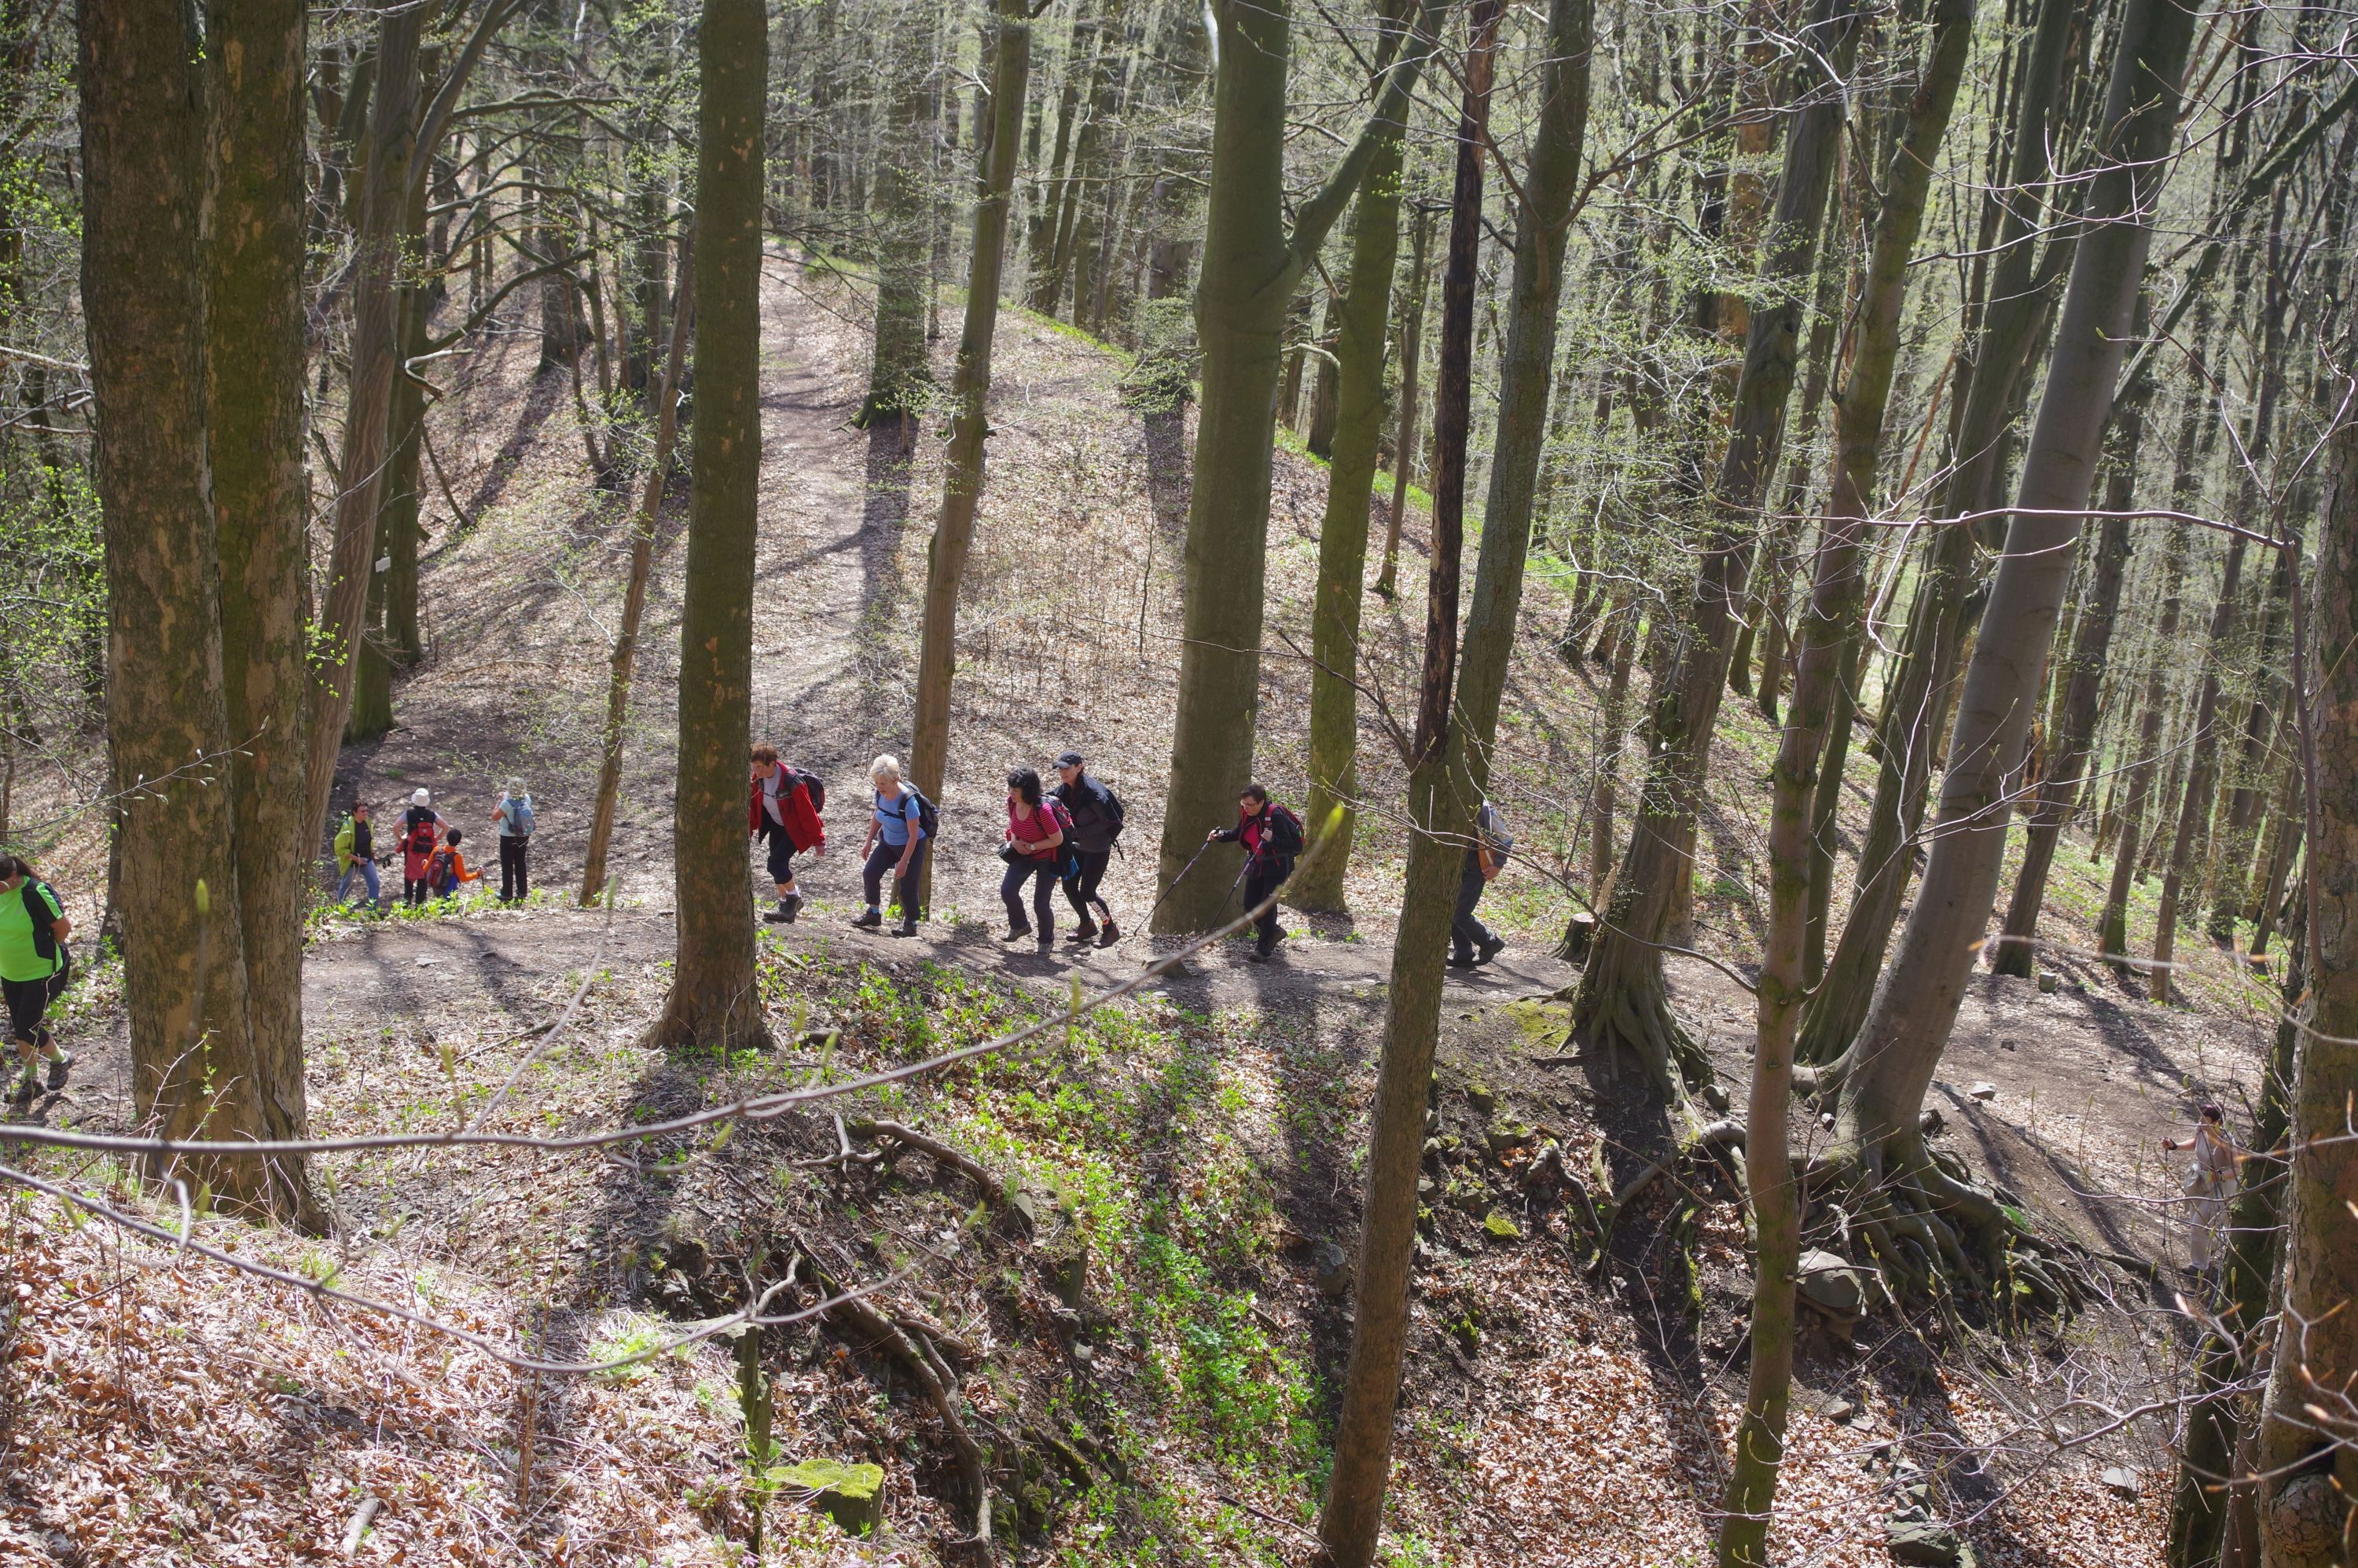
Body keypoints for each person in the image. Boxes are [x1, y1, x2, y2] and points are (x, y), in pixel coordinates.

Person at [0, 855, 74, 1103]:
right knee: (22, 1028)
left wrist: (45, 950)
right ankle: (32, 1081)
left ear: (12, 877)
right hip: (11, 972)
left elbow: (63, 927)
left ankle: (60, 1059)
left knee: (26, 1028)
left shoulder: (34, 892)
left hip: (41, 972)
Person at [1207, 783, 1304, 962]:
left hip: (1278, 866)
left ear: (1261, 802)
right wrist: (1220, 836)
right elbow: (1239, 833)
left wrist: (1272, 839)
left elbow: (1293, 845)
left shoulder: (1275, 815)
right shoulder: (1247, 813)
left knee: (1266, 906)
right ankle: (1273, 932)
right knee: (1250, 905)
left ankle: (1263, 950)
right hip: (1257, 862)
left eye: (1250, 805)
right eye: (1243, 804)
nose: (1246, 808)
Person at [1050, 751, 1124, 947]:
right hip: (1078, 847)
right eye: (1060, 768)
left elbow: (1109, 822)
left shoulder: (1094, 793)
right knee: (1069, 886)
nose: (1062, 772)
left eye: (1067, 768)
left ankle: (1111, 929)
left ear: (1079, 767)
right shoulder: (1066, 788)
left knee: (1088, 892)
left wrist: (1078, 832)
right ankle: (1086, 925)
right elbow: (1050, 799)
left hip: (1098, 850)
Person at [851, 755, 928, 937]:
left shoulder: (908, 802)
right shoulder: (880, 794)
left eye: (883, 783)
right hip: (888, 842)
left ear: (895, 780)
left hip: (911, 845)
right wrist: (869, 841)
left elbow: (914, 835)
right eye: (877, 782)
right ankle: (874, 913)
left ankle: (911, 925)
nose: (879, 787)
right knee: (870, 873)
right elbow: (877, 816)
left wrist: (904, 861)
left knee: (907, 886)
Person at [748, 743, 825, 923]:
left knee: (775, 864)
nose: (757, 771)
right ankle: (785, 907)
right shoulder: (758, 779)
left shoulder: (791, 780)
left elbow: (807, 811)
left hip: (794, 827)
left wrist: (818, 839)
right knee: (777, 865)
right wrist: (750, 828)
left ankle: (794, 897)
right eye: (754, 767)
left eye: (760, 767)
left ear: (773, 764)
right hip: (776, 825)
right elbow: (753, 807)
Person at [2164, 1103, 2240, 1276]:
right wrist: (2175, 1146)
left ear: (2217, 1123)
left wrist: (2218, 1175)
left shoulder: (2226, 1141)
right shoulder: (2201, 1130)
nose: (2200, 1123)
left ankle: (2199, 1266)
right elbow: (2196, 1143)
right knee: (2197, 1222)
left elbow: (2237, 1169)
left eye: (2205, 1121)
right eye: (2200, 1119)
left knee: (2199, 1224)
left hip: (2221, 1186)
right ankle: (2207, 1250)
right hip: (2201, 1181)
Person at [1001, 767, 1069, 950]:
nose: (1011, 793)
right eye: (1010, 788)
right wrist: (1015, 842)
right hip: (1022, 855)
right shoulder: (1012, 802)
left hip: (1047, 857)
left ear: (1027, 790)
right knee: (1008, 890)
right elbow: (1013, 827)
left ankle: (1046, 940)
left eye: (1015, 790)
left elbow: (1057, 839)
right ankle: (1020, 925)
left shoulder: (1043, 810)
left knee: (1040, 903)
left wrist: (1031, 847)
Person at [1448, 799, 1512, 969]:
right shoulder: (1448, 800)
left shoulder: (1483, 809)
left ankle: (1490, 942)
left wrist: (1498, 865)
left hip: (1477, 870)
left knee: (1459, 913)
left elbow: (1505, 838)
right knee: (1453, 910)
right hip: (1458, 868)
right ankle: (1463, 954)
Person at [333, 801, 382, 912]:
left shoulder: (368, 822)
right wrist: (356, 859)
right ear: (355, 813)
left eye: (366, 811)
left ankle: (372, 911)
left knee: (375, 883)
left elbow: (370, 841)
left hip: (366, 859)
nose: (365, 813)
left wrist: (373, 855)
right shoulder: (347, 827)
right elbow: (339, 849)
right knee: (346, 885)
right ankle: (340, 909)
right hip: (352, 862)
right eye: (362, 811)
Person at [399, 790, 446, 907]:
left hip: (411, 849)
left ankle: (407, 899)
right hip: (427, 850)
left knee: (409, 873)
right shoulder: (432, 815)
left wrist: (401, 840)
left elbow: (396, 827)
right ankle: (420, 903)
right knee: (424, 874)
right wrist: (436, 839)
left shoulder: (408, 813)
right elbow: (445, 827)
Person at [491, 780, 534, 903]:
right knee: (520, 862)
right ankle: (522, 891)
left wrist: (499, 801)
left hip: (508, 837)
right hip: (524, 835)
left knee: (507, 864)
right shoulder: (527, 798)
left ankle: (507, 893)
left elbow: (495, 817)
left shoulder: (506, 803)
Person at [428, 829, 483, 899]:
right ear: (459, 842)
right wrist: (477, 874)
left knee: (438, 906)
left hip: (435, 886)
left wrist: (424, 863)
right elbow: (463, 878)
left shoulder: (436, 850)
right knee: (451, 908)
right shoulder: (457, 857)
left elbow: (425, 868)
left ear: (447, 838)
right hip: (448, 889)